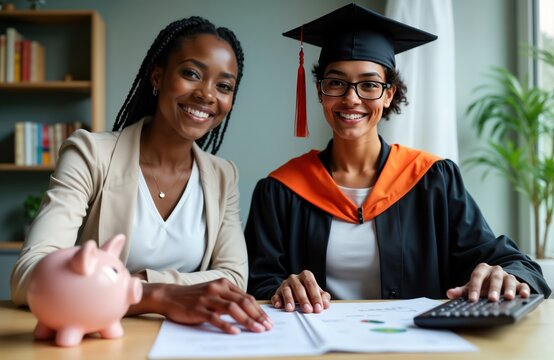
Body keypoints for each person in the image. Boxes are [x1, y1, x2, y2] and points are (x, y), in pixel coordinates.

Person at [245, 3, 552, 314]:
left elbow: (508, 261)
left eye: (369, 85)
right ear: (320, 91)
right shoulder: (279, 191)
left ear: (389, 94)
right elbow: (257, 282)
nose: (351, 98)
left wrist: (507, 275)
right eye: (336, 82)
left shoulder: (432, 180)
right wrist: (280, 289)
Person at [11, 16, 271, 334]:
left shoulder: (222, 176)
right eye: (191, 74)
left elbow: (232, 279)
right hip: (101, 342)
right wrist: (154, 296)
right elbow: (30, 275)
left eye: (224, 86)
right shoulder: (90, 154)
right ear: (158, 77)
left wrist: (135, 283)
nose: (207, 94)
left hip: (193, 341)